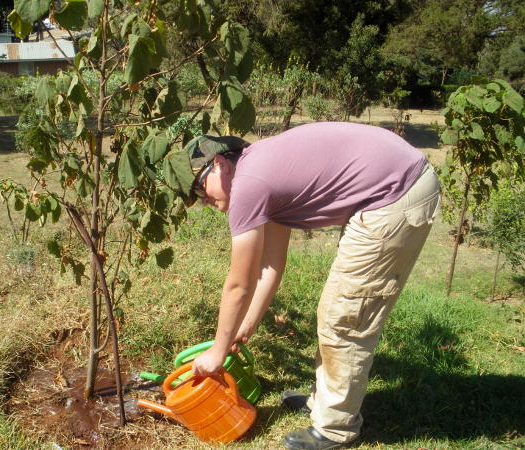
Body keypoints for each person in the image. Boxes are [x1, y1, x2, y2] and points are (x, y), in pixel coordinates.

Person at [183, 122, 441, 450]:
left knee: (345, 316)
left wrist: (217, 352)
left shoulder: (248, 184)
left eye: (200, 189)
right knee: (336, 311)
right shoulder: (259, 172)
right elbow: (269, 267)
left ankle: (335, 429)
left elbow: (238, 284)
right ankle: (325, 405)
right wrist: (245, 326)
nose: (203, 200)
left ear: (218, 165)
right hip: (396, 181)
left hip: (396, 192)